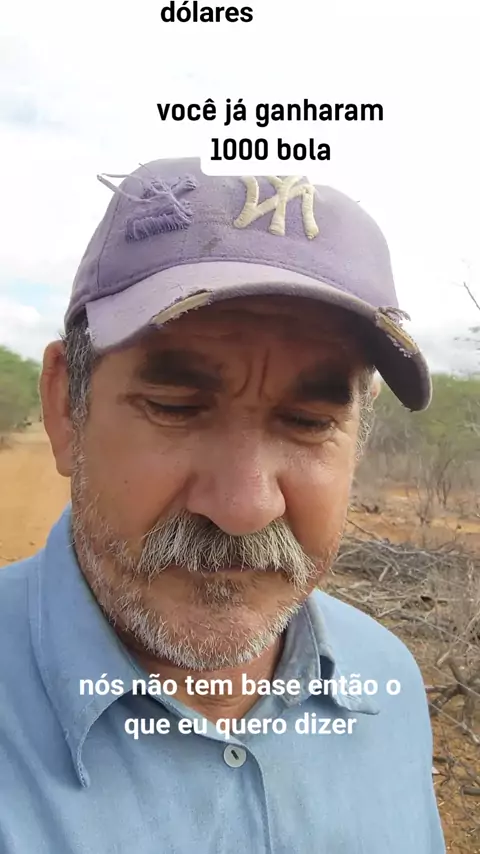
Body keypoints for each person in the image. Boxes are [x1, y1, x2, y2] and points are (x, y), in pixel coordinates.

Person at [0, 159, 445, 854]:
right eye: (175, 408)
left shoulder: (386, 682)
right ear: (65, 408)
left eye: (309, 423)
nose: (244, 507)